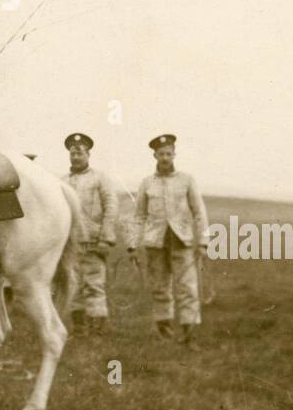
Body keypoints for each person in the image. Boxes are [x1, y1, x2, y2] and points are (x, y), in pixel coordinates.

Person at [129, 134, 209, 348]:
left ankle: (189, 335)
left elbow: (199, 211)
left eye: (168, 154)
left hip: (181, 241)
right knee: (160, 287)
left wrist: (203, 241)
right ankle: (164, 333)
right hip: (156, 243)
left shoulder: (187, 180)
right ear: (154, 155)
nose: (165, 158)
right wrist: (132, 244)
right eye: (161, 154)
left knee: (187, 288)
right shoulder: (147, 183)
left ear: (174, 155)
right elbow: (138, 216)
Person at [61, 132, 118, 334]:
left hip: (94, 240)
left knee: (94, 283)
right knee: (73, 283)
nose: (76, 157)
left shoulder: (99, 179)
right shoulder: (63, 182)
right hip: (70, 242)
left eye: (80, 153)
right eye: (72, 153)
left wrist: (106, 238)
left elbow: (111, 208)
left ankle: (97, 326)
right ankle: (79, 326)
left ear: (88, 154)